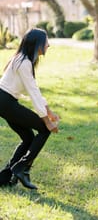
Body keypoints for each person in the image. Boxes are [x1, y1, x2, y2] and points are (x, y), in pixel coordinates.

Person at [0, 28, 59, 189]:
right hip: (5, 102)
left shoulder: (22, 59)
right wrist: (47, 121)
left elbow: (33, 89)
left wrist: (49, 112)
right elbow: (33, 93)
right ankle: (22, 168)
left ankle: (6, 176)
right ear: (38, 44)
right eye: (46, 42)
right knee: (44, 130)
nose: (49, 45)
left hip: (5, 102)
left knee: (28, 138)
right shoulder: (24, 62)